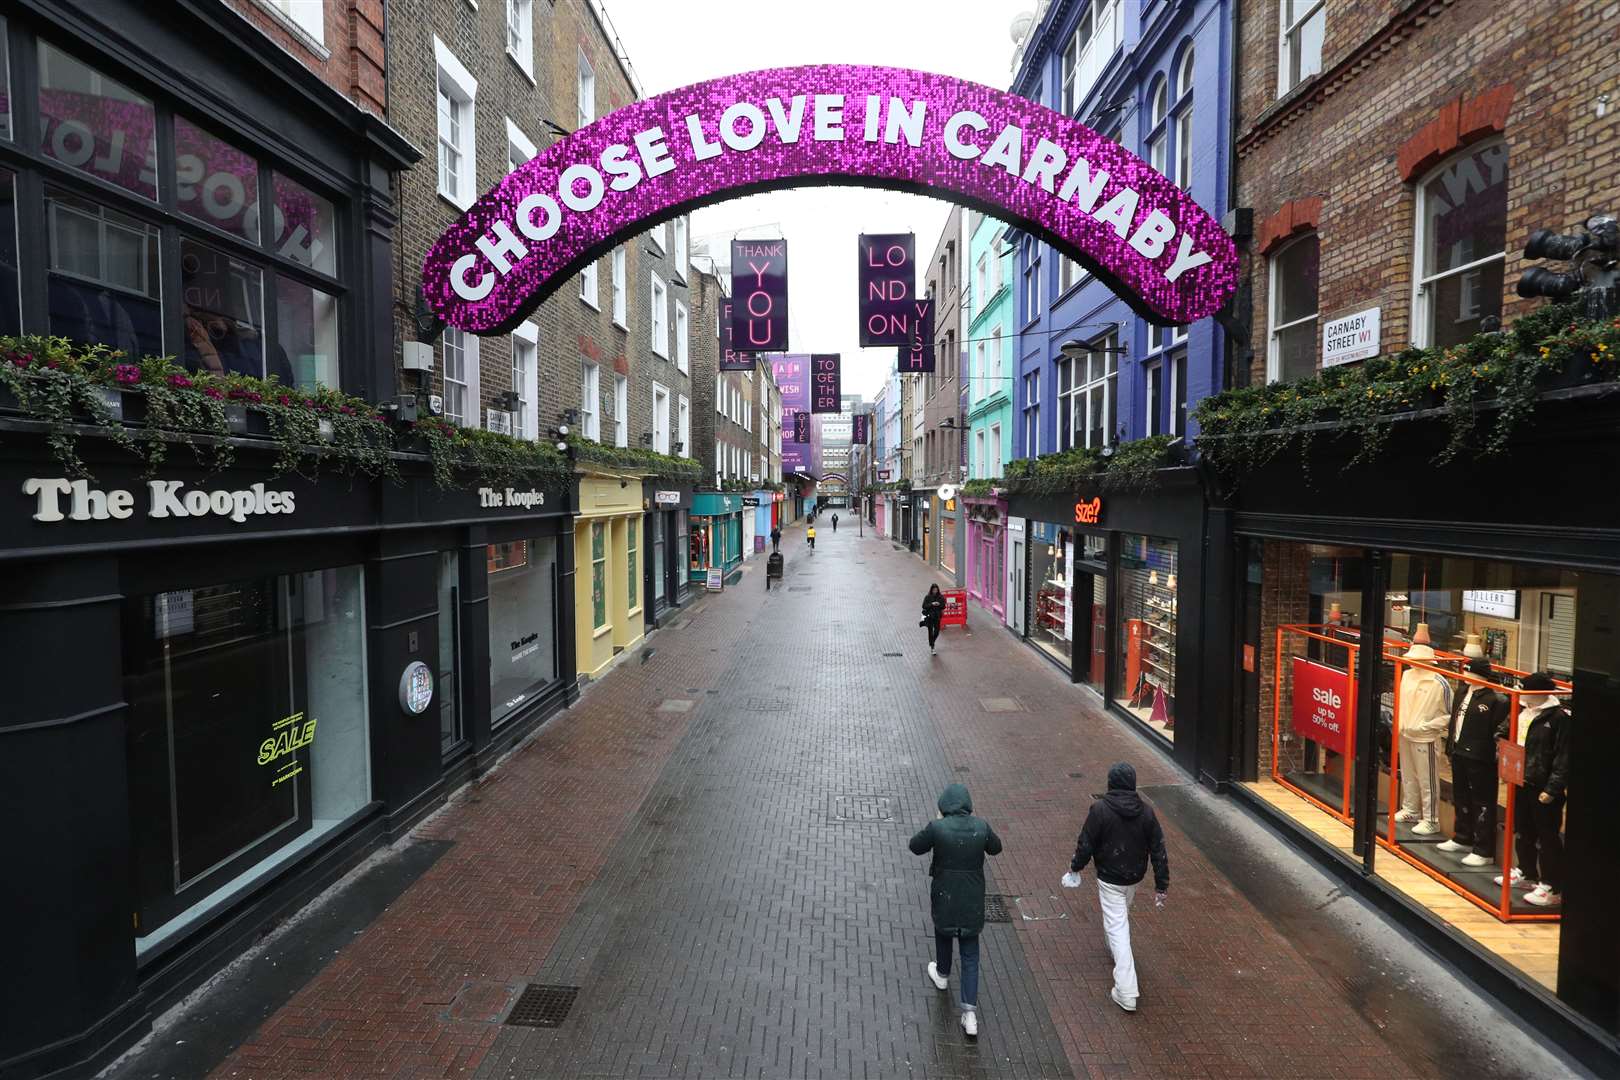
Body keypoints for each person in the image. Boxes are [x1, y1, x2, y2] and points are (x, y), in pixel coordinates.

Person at [1061, 762, 1169, 1014]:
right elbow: (1159, 850)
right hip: (1134, 877)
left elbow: (1086, 843)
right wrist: (1161, 884)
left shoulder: (1100, 810)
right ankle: (1113, 945)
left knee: (1118, 927)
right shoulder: (1146, 812)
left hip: (1109, 878)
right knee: (1119, 917)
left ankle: (1127, 990)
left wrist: (1075, 868)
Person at [909, 783, 1002, 1039]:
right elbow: (996, 848)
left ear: (944, 806)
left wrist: (937, 822)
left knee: (943, 932)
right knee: (971, 954)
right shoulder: (981, 827)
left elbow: (915, 846)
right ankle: (969, 1014)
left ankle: (942, 973)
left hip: (945, 895)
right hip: (972, 897)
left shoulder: (937, 828)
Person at [1507, 672, 1571, 907]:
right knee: (1523, 829)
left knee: (1548, 836)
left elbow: (1563, 758)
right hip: (1521, 780)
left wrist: (1553, 788)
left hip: (1543, 786)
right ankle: (1526, 871)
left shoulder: (1559, 719)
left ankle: (1552, 886)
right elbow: (1505, 732)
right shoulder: (1522, 710)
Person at [921, 584, 946, 654]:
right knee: (930, 632)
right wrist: (932, 604)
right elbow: (924, 606)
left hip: (937, 616)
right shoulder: (927, 597)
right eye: (934, 590)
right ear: (931, 590)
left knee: (937, 631)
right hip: (929, 617)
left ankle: (932, 642)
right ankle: (932, 647)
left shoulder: (940, 597)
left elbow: (943, 606)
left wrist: (939, 604)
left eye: (936, 590)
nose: (935, 591)